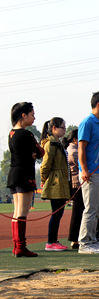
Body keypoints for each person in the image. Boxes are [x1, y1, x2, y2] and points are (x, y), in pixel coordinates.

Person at [8, 102, 45, 257]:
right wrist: (35, 154)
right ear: (23, 115)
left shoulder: (11, 133)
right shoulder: (27, 134)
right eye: (32, 114)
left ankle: (17, 246)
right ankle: (21, 247)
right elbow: (40, 151)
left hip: (14, 174)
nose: (34, 117)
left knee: (17, 212)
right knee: (22, 212)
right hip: (24, 175)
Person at [77, 91, 99, 254]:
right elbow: (81, 148)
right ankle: (84, 243)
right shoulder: (87, 123)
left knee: (97, 208)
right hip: (90, 172)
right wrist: (84, 169)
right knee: (90, 208)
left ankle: (92, 240)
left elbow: (98, 148)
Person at [40, 117, 69, 252]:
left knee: (59, 213)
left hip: (61, 181)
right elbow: (45, 165)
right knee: (56, 213)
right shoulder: (50, 144)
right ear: (53, 128)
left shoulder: (57, 143)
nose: (64, 130)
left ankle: (53, 240)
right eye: (62, 127)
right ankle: (51, 242)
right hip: (55, 182)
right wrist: (44, 179)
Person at [64, 128, 83, 249]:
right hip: (77, 184)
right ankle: (74, 238)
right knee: (78, 211)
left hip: (78, 183)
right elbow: (80, 164)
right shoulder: (73, 151)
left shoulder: (74, 149)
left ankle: (76, 238)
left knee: (80, 211)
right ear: (76, 139)